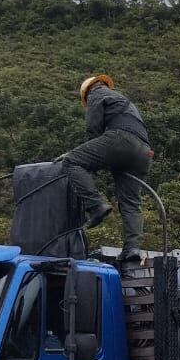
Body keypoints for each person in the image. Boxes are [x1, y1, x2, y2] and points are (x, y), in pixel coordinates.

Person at [61, 75, 152, 265]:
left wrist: (89, 159)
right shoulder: (122, 99)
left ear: (88, 92)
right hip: (143, 151)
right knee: (130, 202)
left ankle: (96, 207)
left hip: (121, 140)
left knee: (71, 161)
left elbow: (93, 128)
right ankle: (132, 249)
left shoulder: (97, 93)